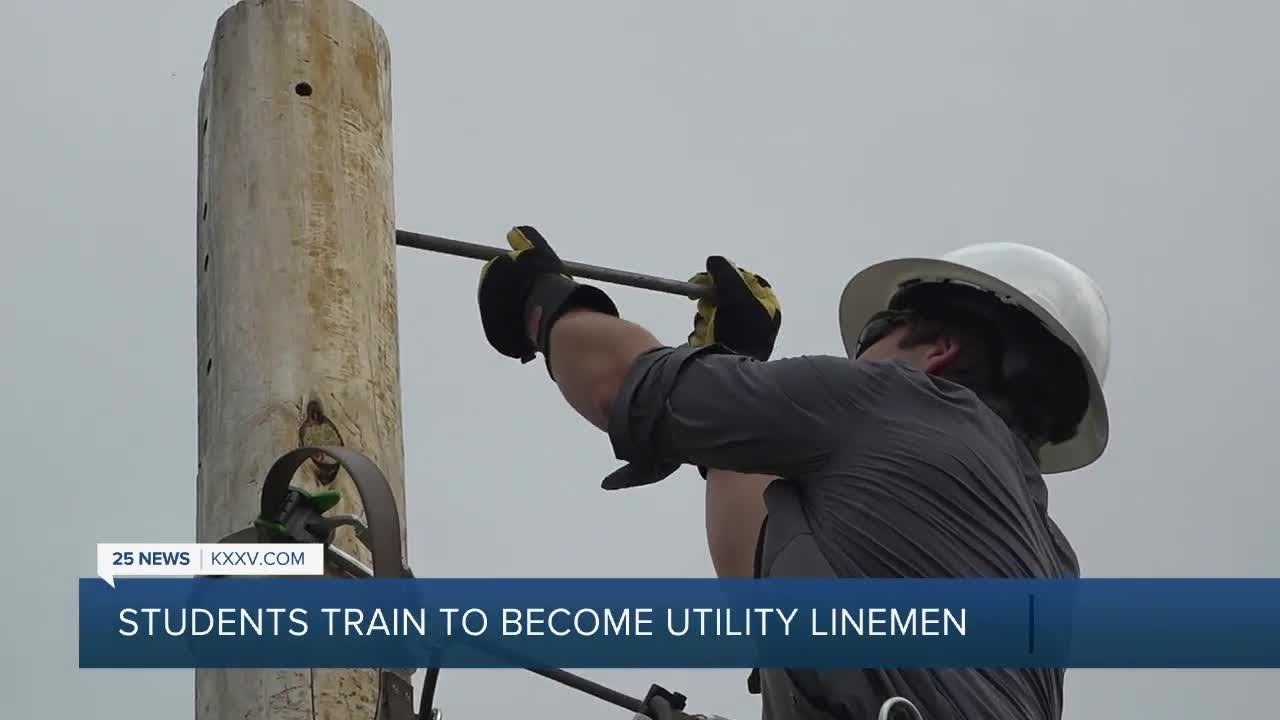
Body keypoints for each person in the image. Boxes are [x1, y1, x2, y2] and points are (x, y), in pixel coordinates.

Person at [475, 226, 1110, 720]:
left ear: (938, 349)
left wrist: (546, 304)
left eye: (875, 333)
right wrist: (735, 373)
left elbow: (621, 385)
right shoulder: (1048, 561)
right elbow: (766, 578)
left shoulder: (894, 401)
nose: (857, 356)